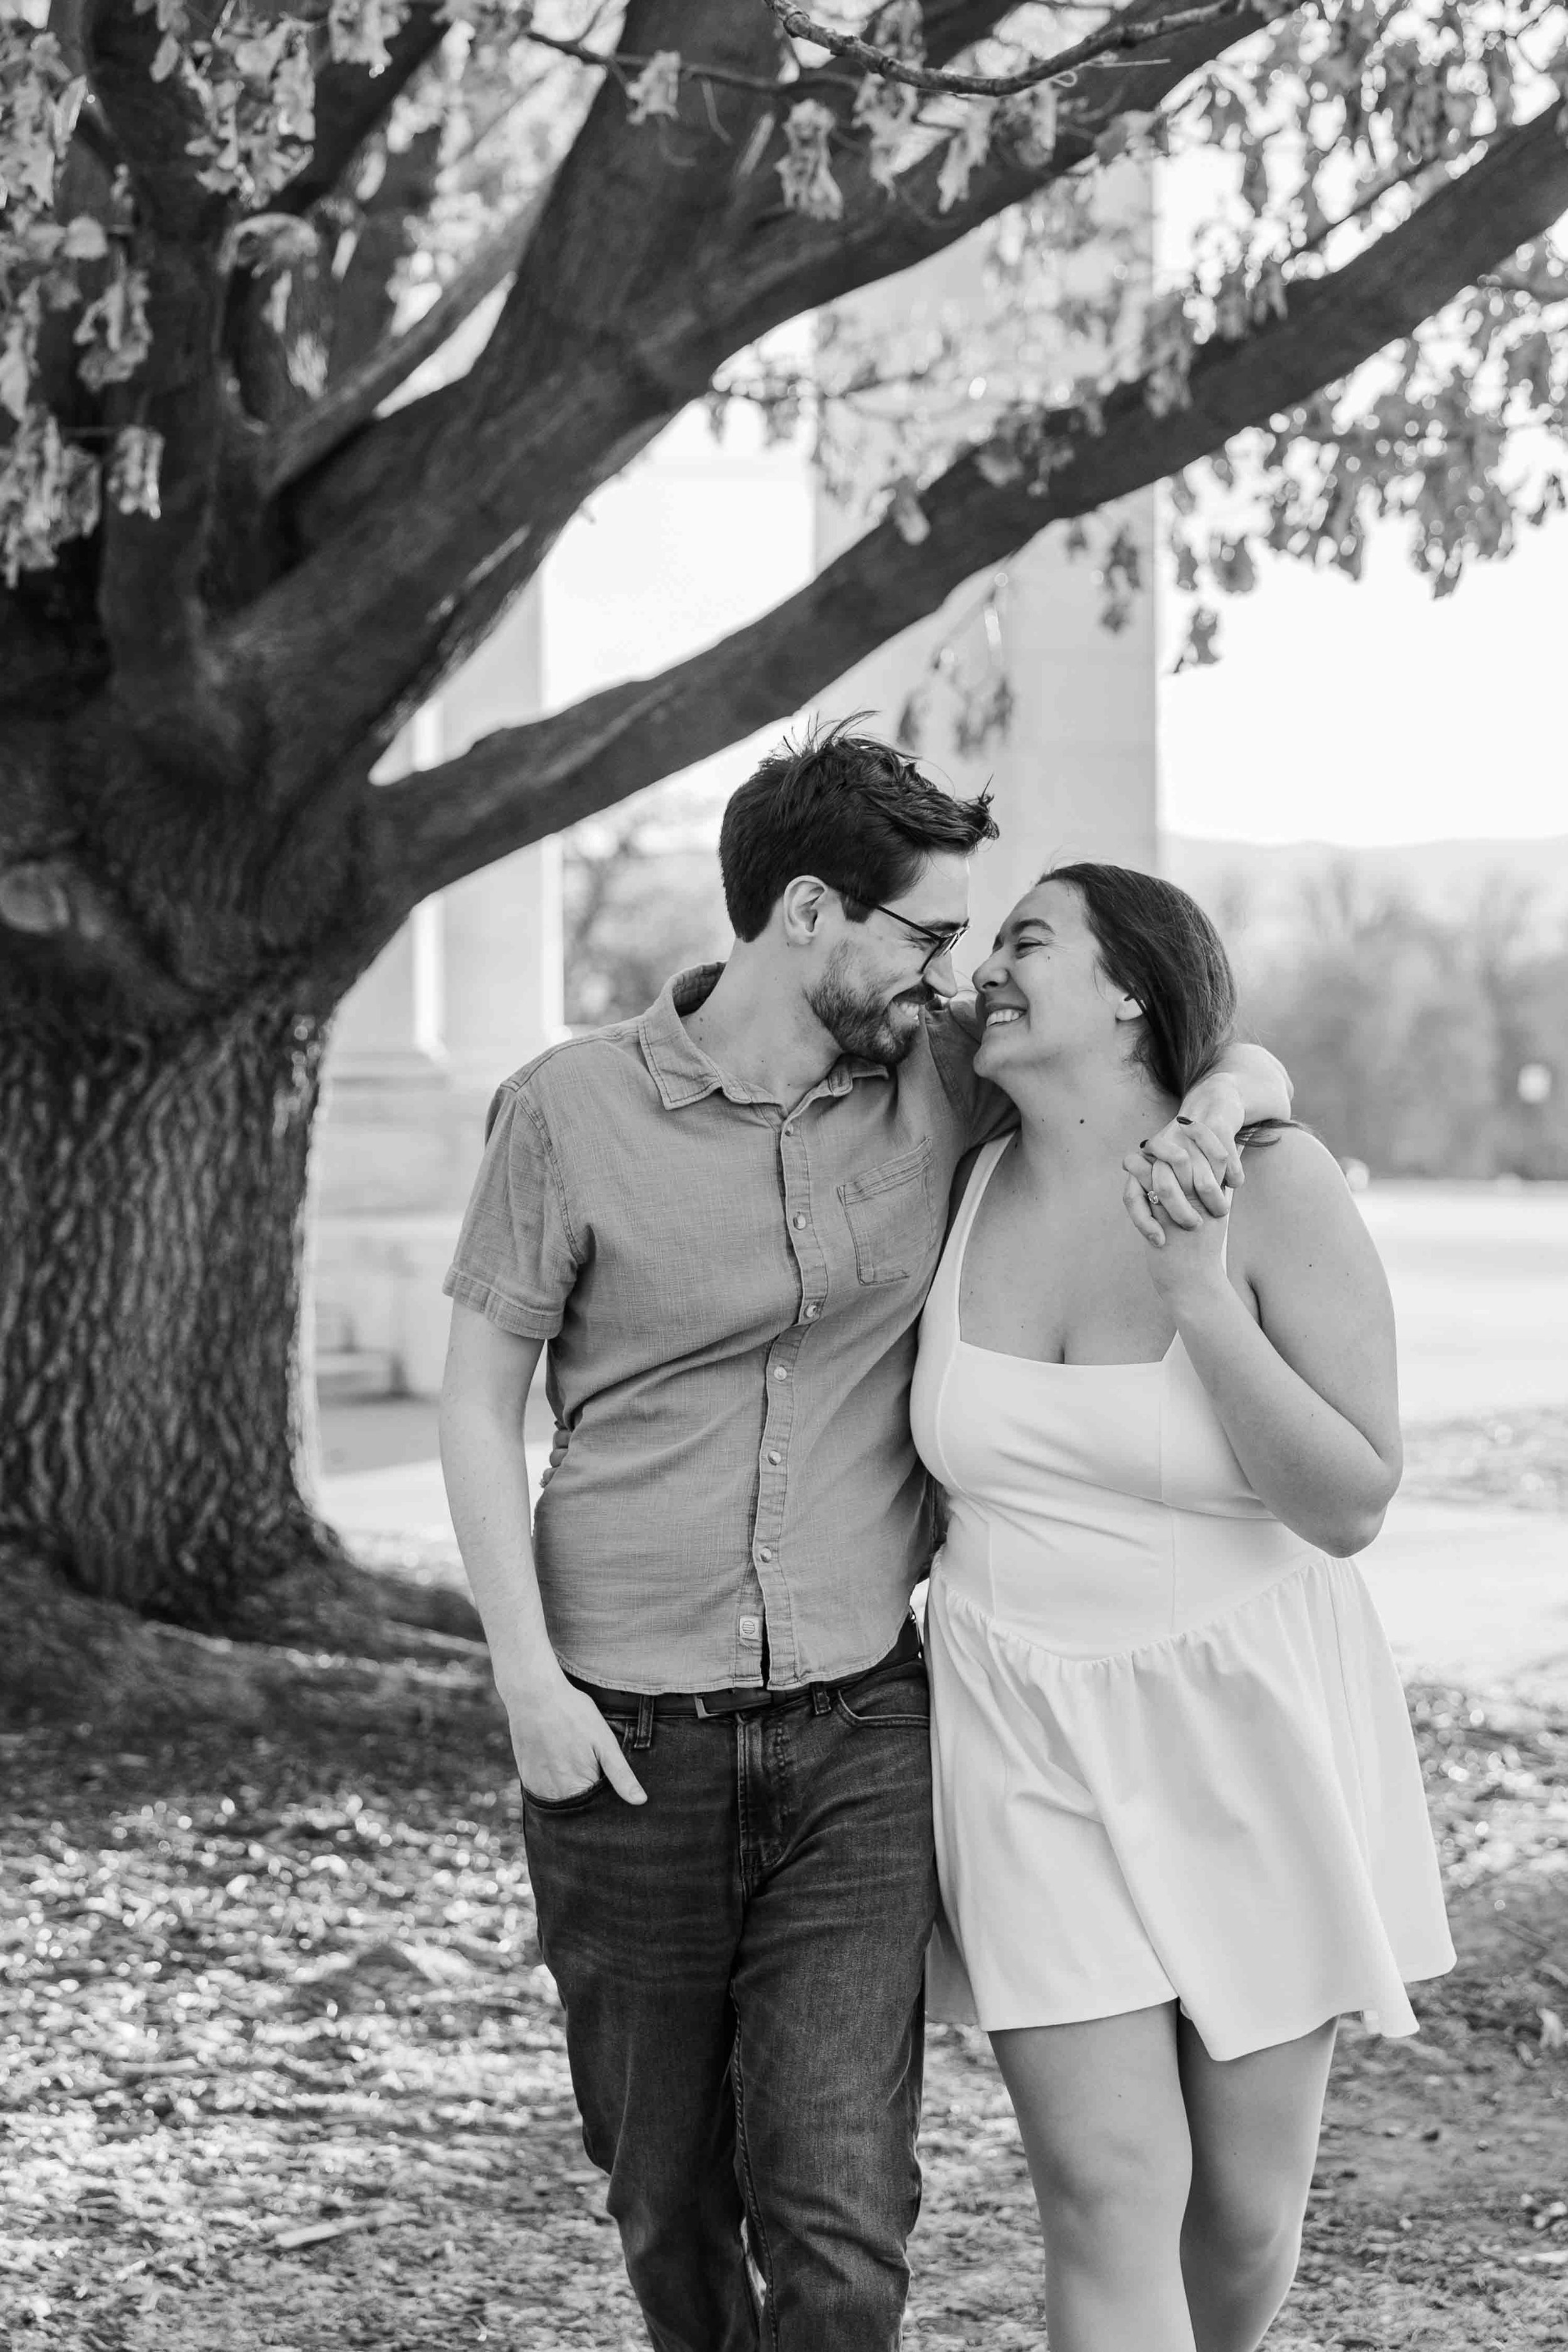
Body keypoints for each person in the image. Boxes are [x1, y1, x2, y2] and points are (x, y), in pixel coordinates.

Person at [437, 729, 1291, 2352]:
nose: (952, 973)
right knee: (667, 2196)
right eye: (926, 933)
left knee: (839, 2213)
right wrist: (529, 1689)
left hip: (858, 1730)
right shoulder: (564, 1109)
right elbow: (478, 1404)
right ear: (811, 912)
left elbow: (1199, 1047)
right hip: (622, 1741)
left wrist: (1230, 1099)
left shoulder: (937, 1070)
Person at [912, 862, 1454, 2352]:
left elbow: (1347, 1504)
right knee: (1103, 2190)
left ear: (1128, 993)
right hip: (1013, 1728)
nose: (986, 969)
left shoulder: (1273, 1182)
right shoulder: (952, 1163)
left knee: (1237, 2216)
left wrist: (1200, 1293)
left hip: (1243, 1724)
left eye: (1027, 941)